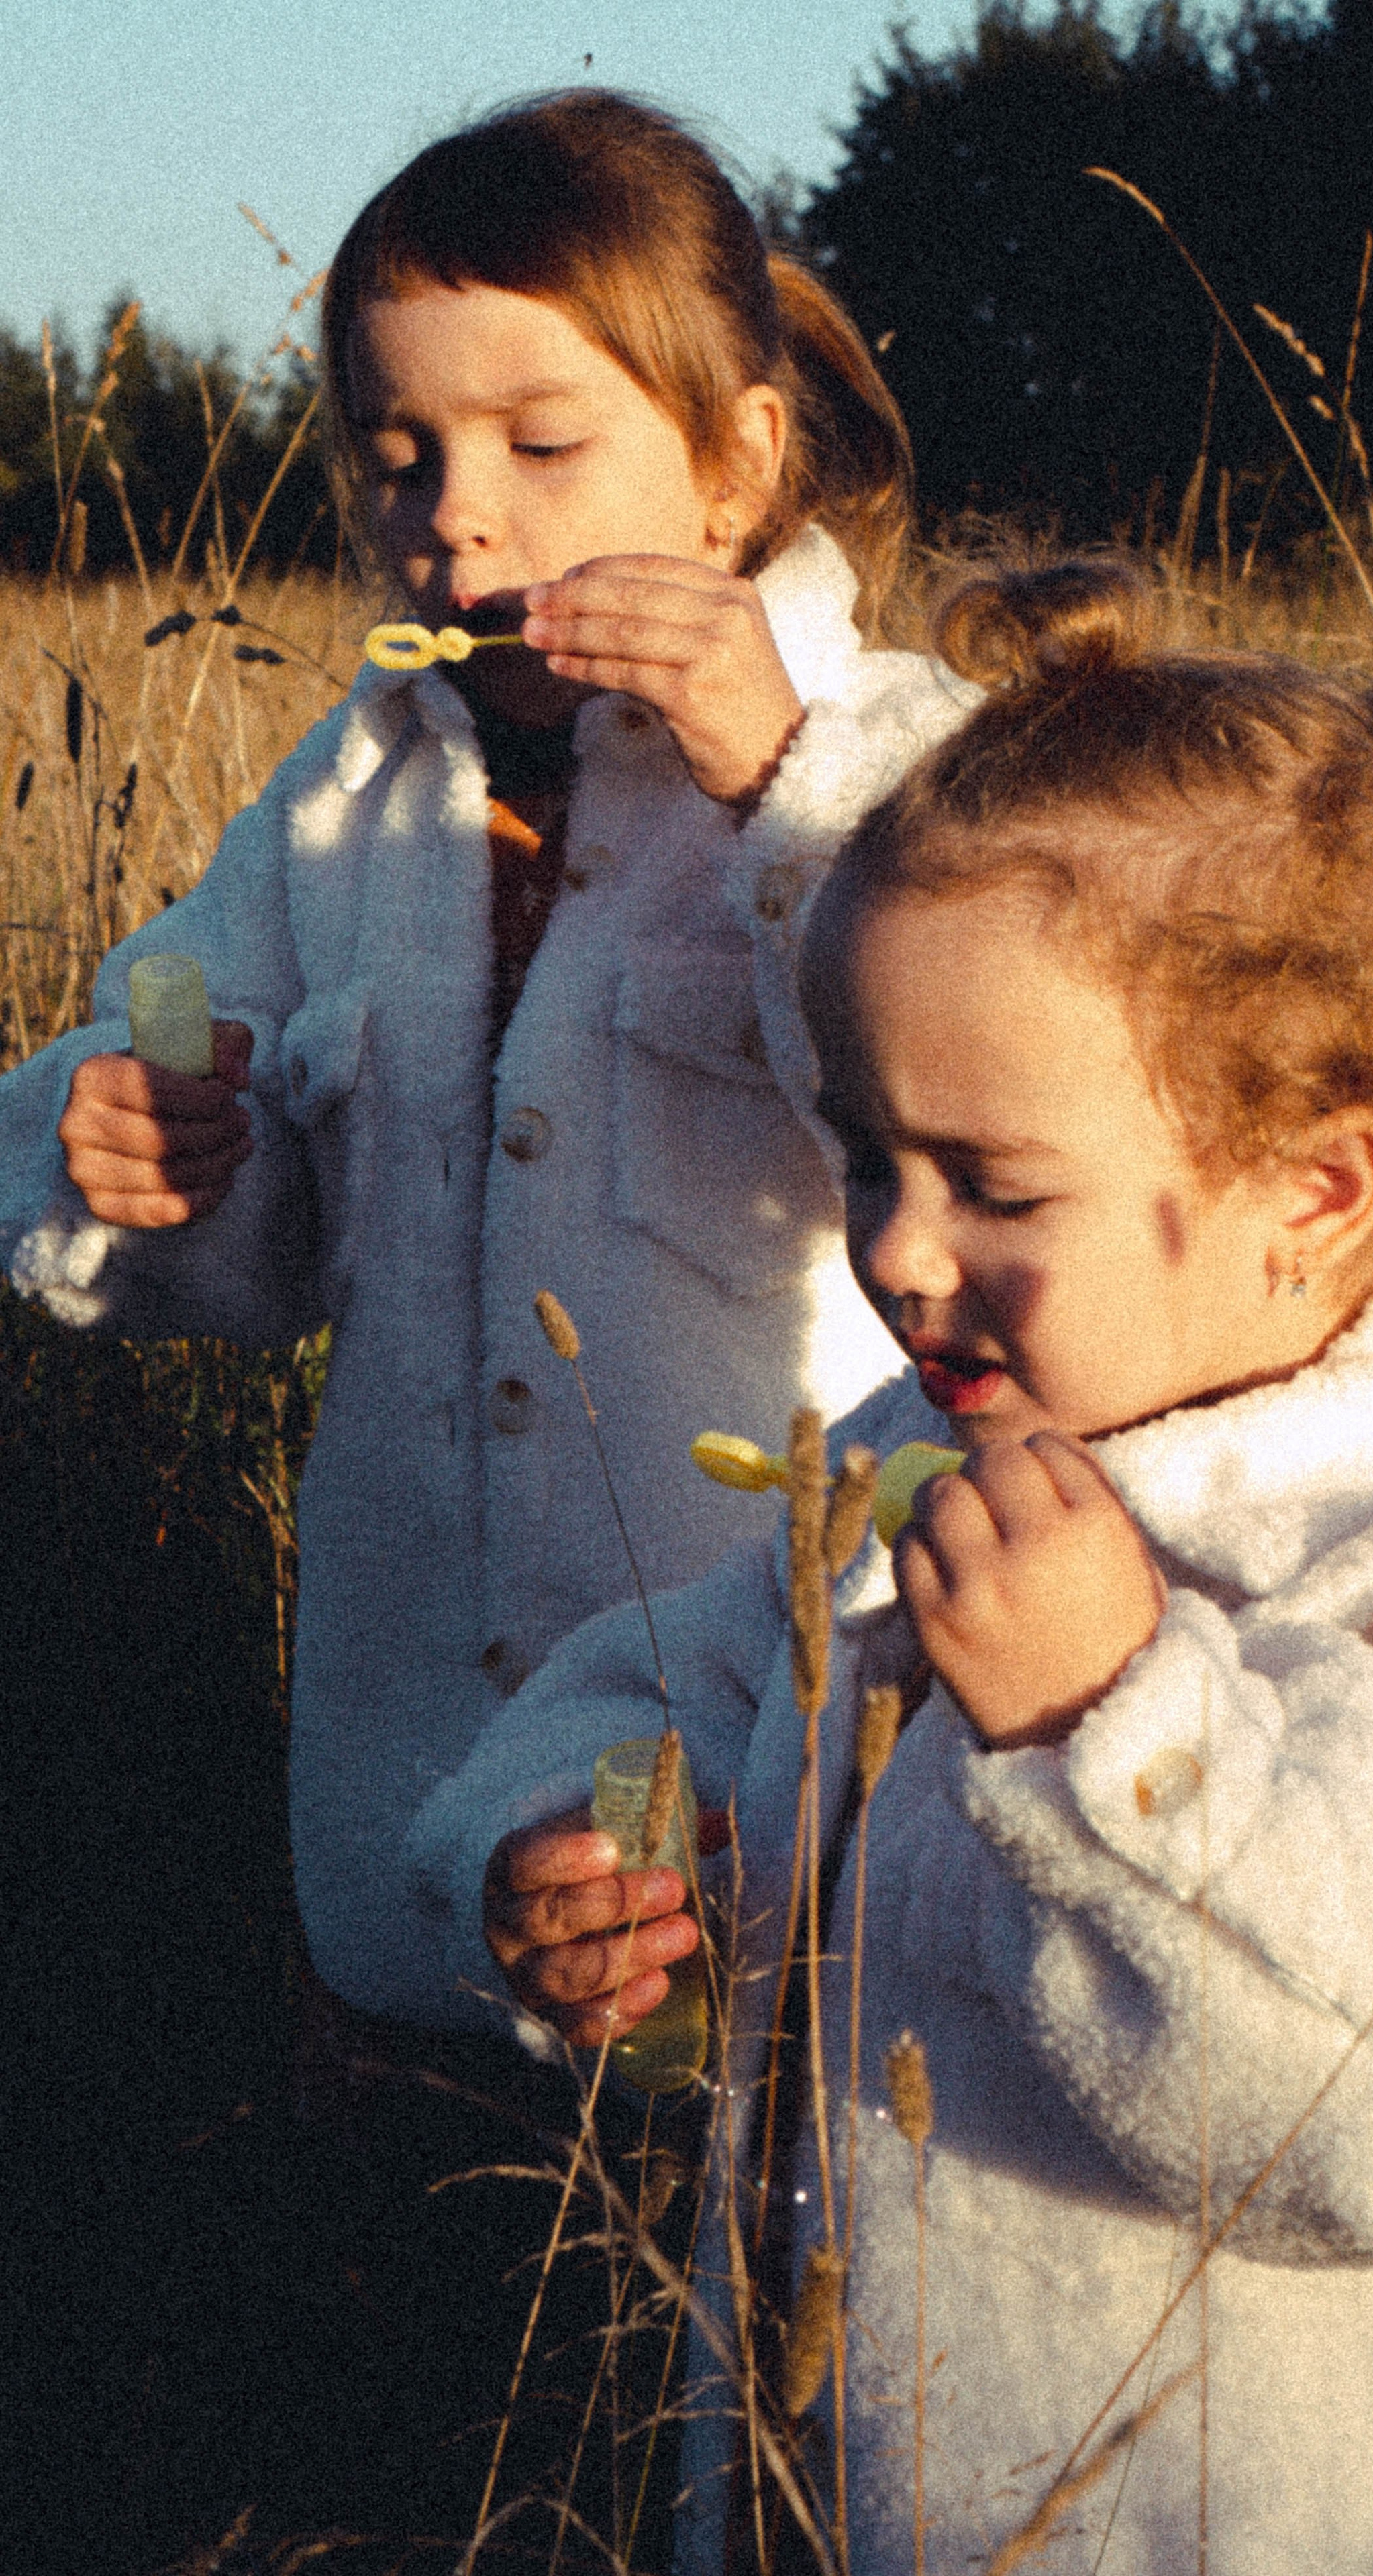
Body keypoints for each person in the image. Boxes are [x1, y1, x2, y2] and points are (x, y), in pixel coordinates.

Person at [409, 563, 1373, 2575]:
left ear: (1313, 1187)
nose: (898, 1254)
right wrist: (573, 1860)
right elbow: (668, 1680)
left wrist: (1127, 1735)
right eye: (863, 1155)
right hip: (832, 2495)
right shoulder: (906, 1472)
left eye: (994, 1185)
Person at [0, 90, 974, 2027]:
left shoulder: (890, 758)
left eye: (540, 443)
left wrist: (767, 767)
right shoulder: (354, 798)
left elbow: (965, 1091)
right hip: (407, 1724)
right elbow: (222, 1113)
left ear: (733, 465)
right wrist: (146, 1151)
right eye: (397, 454)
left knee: (701, 2079)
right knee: (446, 2130)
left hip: (747, 1660)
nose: (455, 511)